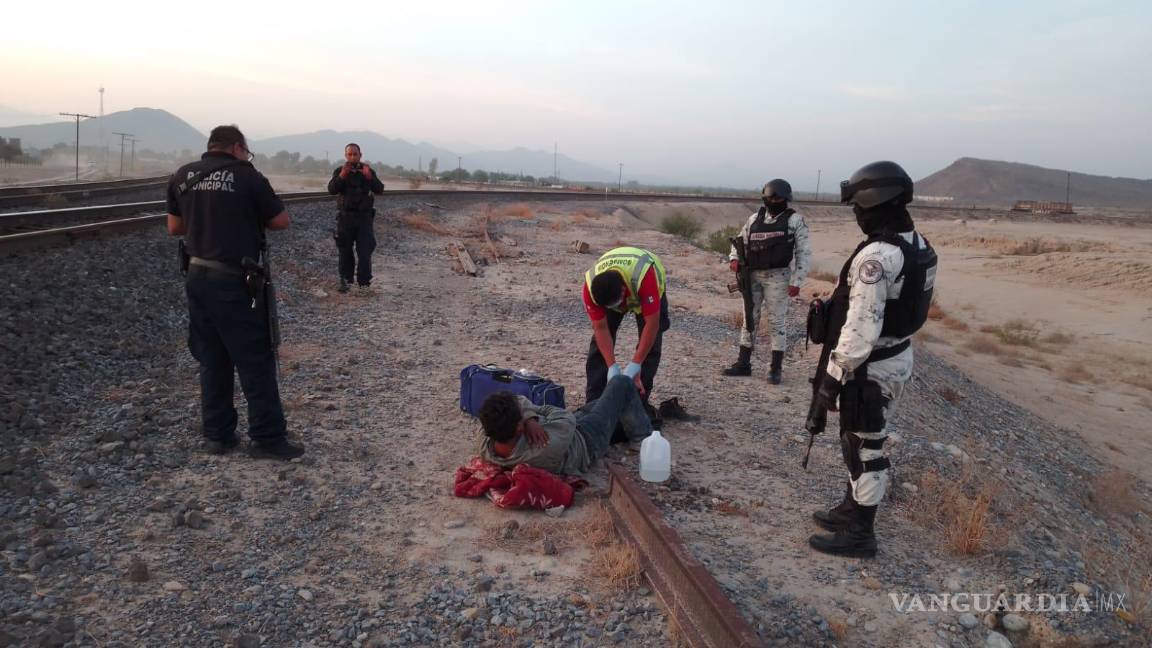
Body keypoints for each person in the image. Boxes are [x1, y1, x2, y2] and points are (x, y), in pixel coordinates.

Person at [805, 161, 937, 557]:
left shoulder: (877, 257)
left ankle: (861, 533)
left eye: (859, 207)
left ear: (877, 203)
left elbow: (861, 325)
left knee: (864, 447)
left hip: (870, 367)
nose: (858, 215)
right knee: (859, 440)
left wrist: (833, 376)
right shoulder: (917, 245)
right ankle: (852, 508)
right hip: (893, 357)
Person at [166, 124, 304, 460]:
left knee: (211, 357)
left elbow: (175, 227)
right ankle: (268, 438)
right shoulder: (248, 176)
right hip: (236, 280)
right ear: (237, 148)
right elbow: (280, 221)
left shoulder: (182, 175)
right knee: (255, 359)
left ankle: (217, 436)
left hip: (197, 275)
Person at [722, 179, 811, 383]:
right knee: (749, 318)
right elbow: (740, 240)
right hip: (752, 275)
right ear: (764, 198)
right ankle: (743, 363)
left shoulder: (795, 221)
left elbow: (804, 253)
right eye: (771, 197)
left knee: (776, 322)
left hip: (778, 277)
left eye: (778, 197)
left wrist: (797, 281)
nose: (774, 200)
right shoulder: (755, 218)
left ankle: (775, 368)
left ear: (786, 199)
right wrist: (734, 258)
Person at [478, 375, 651, 474]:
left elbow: (517, 400)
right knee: (621, 383)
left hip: (564, 431)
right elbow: (565, 417)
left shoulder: (487, 442)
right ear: (518, 427)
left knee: (609, 402)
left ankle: (636, 413)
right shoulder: (543, 446)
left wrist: (530, 418)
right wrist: (534, 414)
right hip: (585, 440)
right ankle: (642, 439)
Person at [582, 246, 670, 417]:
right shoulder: (590, 289)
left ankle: (637, 403)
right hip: (613, 290)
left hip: (645, 285)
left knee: (651, 346)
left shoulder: (645, 277)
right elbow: (600, 328)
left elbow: (651, 325)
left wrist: (635, 365)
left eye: (619, 304)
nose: (620, 309)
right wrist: (611, 366)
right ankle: (594, 402)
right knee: (598, 347)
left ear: (624, 290)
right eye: (613, 307)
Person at [327, 143, 384, 293]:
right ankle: (346, 282)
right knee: (345, 251)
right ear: (346, 156)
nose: (353, 157)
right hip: (345, 218)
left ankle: (364, 284)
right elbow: (331, 190)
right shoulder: (340, 171)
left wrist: (369, 177)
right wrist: (341, 176)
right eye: (350, 154)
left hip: (364, 219)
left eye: (355, 154)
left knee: (365, 251)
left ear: (360, 155)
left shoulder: (368, 171)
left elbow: (380, 189)